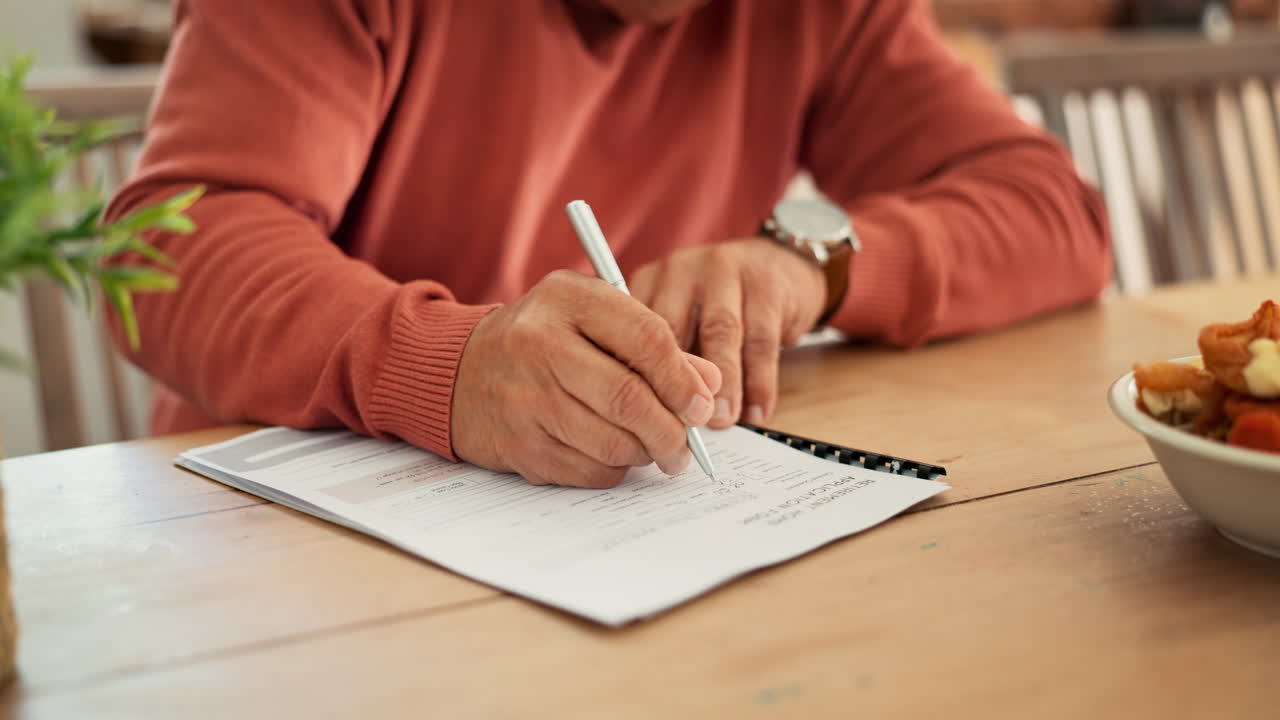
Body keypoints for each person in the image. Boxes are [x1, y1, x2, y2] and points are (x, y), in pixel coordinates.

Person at [107, 0, 1110, 489]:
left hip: (620, 552)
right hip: (281, 542)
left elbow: (1052, 212)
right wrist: (449, 369)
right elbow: (169, 251)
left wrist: (810, 258)